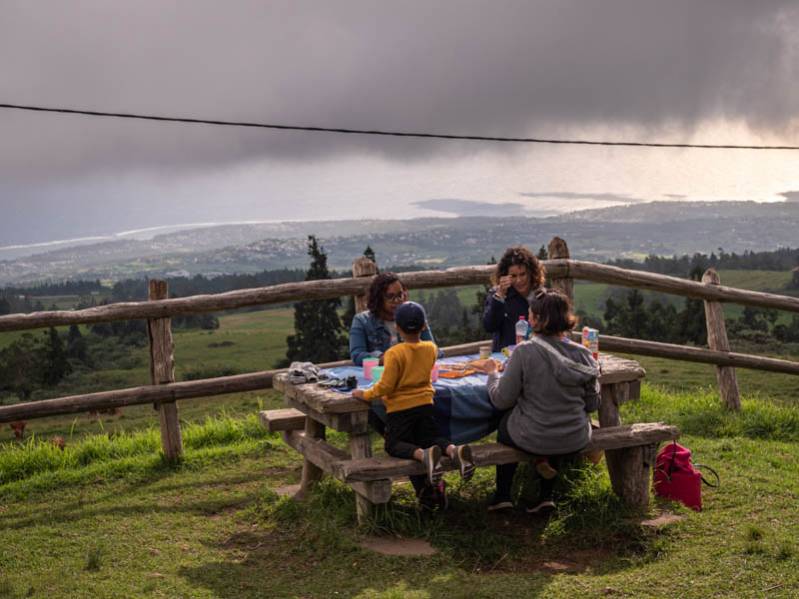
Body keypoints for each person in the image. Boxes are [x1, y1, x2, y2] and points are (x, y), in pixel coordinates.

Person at [481, 288, 600, 514]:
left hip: (536, 435)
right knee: (554, 415)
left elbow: (500, 400)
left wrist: (492, 374)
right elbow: (593, 405)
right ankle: (546, 496)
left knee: (507, 421)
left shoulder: (525, 351)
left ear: (536, 319)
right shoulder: (584, 355)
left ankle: (503, 496)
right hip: (575, 436)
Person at [352, 302, 475, 504]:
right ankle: (454, 450)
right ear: (424, 326)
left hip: (400, 411)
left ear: (397, 328)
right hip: (426, 406)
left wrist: (365, 394)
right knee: (433, 437)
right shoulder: (431, 348)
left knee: (393, 444)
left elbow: (386, 387)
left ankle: (423, 455)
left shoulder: (394, 353)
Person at [350, 272, 439, 366]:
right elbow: (357, 356)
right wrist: (385, 358)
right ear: (378, 298)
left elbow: (434, 350)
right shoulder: (361, 321)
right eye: (390, 296)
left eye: (400, 295)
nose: (397, 300)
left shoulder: (415, 314)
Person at [482, 246, 546, 352]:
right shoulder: (497, 294)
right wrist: (500, 296)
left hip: (537, 356)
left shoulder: (541, 295)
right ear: (505, 276)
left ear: (531, 273)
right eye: (513, 276)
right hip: (505, 357)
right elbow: (489, 326)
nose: (519, 280)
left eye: (523, 274)